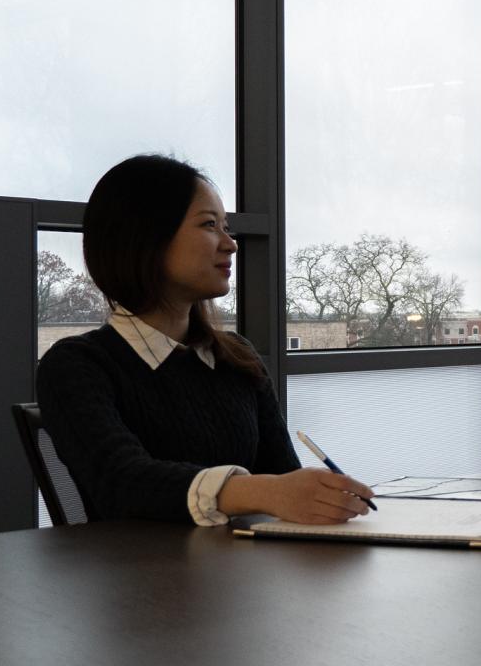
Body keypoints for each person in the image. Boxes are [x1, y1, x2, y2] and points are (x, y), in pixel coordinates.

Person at [37, 154, 374, 525]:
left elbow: (281, 477)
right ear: (146, 237)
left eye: (226, 227)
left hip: (243, 573)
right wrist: (262, 492)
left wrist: (316, 497)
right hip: (138, 577)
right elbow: (121, 483)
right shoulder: (77, 366)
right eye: (210, 225)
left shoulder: (235, 358)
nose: (231, 244)